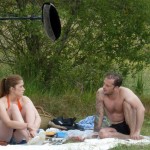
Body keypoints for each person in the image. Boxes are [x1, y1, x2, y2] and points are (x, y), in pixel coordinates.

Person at [94, 72, 145, 140]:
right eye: (104, 84)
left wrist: (137, 131)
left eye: (107, 86)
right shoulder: (100, 93)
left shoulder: (125, 92)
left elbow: (141, 109)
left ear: (116, 88)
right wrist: (95, 132)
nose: (104, 87)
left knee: (126, 104)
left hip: (129, 124)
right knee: (102, 134)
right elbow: (99, 114)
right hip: (114, 126)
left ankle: (132, 134)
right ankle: (128, 137)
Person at [0, 74, 41, 144]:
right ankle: (29, 138)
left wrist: (33, 130)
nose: (24, 89)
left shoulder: (25, 99)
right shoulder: (2, 102)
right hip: (4, 136)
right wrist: (28, 125)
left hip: (17, 137)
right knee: (13, 107)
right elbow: (8, 123)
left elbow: (38, 117)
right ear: (12, 89)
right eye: (21, 86)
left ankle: (31, 136)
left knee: (28, 106)